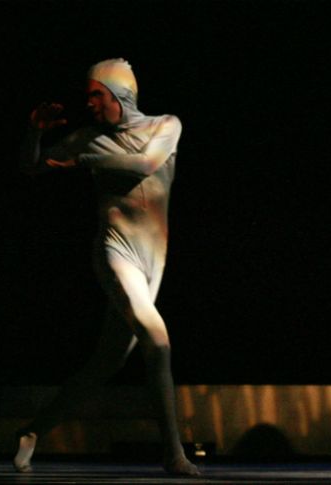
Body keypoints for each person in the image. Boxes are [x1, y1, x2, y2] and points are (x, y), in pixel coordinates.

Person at [14, 58, 199, 476]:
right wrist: (35, 132)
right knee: (158, 342)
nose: (90, 104)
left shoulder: (165, 125)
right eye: (89, 97)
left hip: (153, 260)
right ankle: (173, 454)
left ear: (120, 96)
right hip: (116, 253)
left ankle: (33, 431)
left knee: (107, 361)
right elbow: (30, 166)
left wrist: (83, 162)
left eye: (97, 95)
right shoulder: (87, 138)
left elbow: (146, 163)